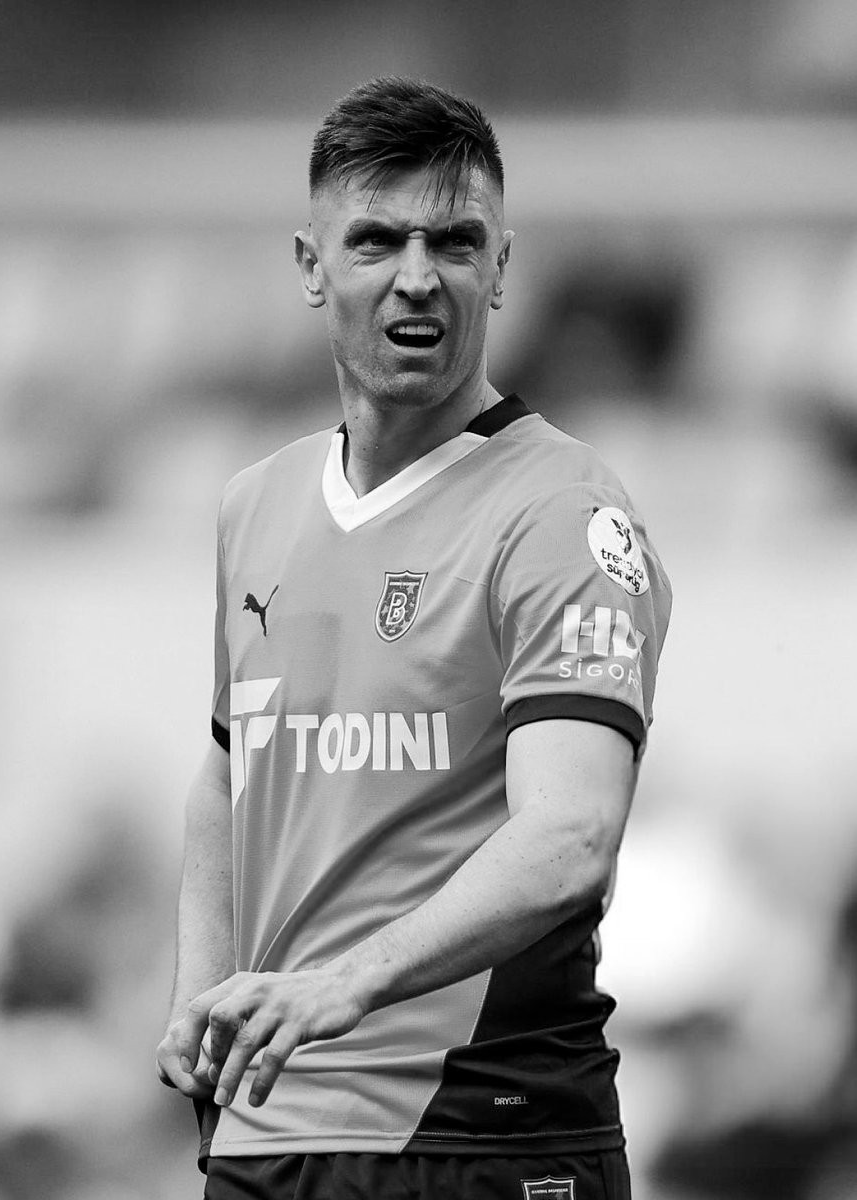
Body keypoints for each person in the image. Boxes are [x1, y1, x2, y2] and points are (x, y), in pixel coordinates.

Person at [156, 76, 671, 1200]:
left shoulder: (563, 512)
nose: (418, 275)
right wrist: (202, 990)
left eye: (455, 241)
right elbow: (229, 773)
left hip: (482, 1135)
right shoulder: (255, 504)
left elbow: (571, 832)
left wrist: (346, 983)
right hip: (266, 1132)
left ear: (502, 266)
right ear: (311, 265)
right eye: (377, 239)